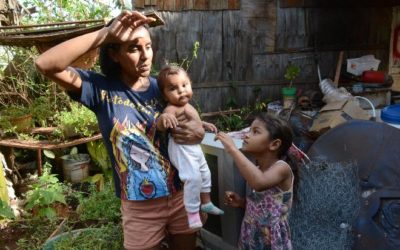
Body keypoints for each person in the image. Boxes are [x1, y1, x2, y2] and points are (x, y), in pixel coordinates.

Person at [35, 10, 206, 250]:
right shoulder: (100, 90)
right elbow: (45, 64)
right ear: (114, 54)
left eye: (148, 46)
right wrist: (106, 33)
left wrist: (198, 130)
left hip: (181, 195)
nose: (145, 56)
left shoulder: (164, 87)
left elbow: (191, 120)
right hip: (139, 206)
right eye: (134, 48)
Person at [156, 65, 224, 229]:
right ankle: (192, 213)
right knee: (192, 178)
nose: (181, 91)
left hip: (194, 148)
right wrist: (164, 118)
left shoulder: (188, 106)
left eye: (184, 85)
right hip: (181, 148)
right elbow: (161, 124)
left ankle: (206, 202)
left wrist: (203, 124)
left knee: (205, 173)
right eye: (173, 88)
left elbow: (193, 121)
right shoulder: (171, 108)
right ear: (164, 95)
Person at [215, 113, 295, 250]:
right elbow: (264, 206)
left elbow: (259, 183)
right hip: (250, 235)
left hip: (271, 240)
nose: (247, 135)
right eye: (248, 130)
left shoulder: (282, 168)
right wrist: (241, 203)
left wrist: (232, 149)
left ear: (274, 144)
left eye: (255, 131)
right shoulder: (257, 170)